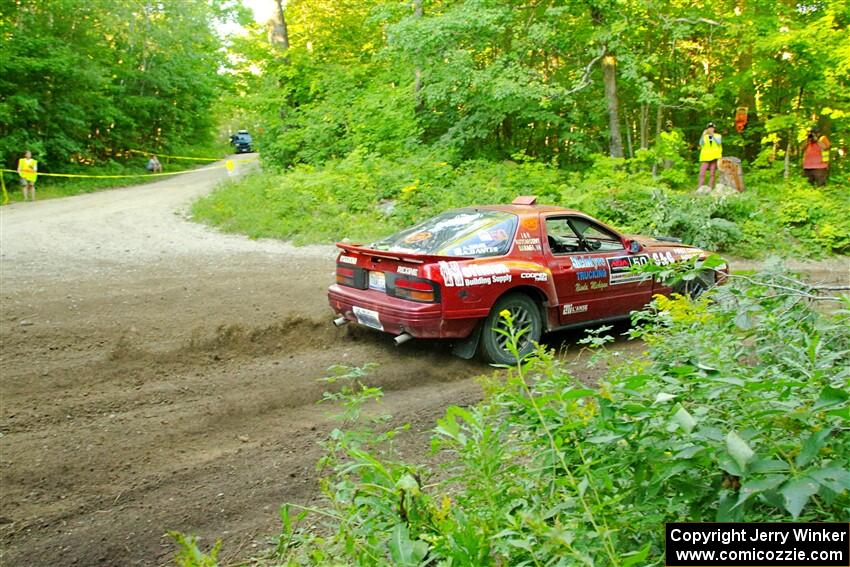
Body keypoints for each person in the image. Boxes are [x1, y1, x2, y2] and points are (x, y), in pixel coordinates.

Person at [697, 122, 722, 190]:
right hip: (705, 157)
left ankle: (711, 187)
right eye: (709, 128)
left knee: (712, 173)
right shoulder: (705, 136)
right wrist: (703, 135)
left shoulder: (718, 135)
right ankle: (700, 187)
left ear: (714, 129)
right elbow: (700, 143)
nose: (710, 129)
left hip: (714, 157)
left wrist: (712, 135)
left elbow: (719, 142)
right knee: (702, 172)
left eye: (712, 128)